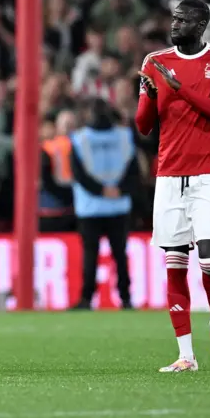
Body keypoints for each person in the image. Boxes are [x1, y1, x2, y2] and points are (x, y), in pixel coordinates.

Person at [136, 0, 210, 372]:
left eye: (183, 20)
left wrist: (180, 90)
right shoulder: (155, 62)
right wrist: (149, 94)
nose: (174, 24)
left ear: (201, 25)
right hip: (168, 176)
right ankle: (186, 355)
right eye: (174, 18)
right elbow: (144, 125)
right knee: (175, 264)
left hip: (209, 173)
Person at [70, 100, 138, 310]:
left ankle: (86, 299)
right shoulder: (125, 136)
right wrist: (119, 189)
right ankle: (126, 299)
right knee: (120, 254)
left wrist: (100, 191)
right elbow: (134, 170)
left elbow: (79, 174)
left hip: (90, 207)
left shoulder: (80, 139)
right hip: (118, 205)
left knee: (91, 254)